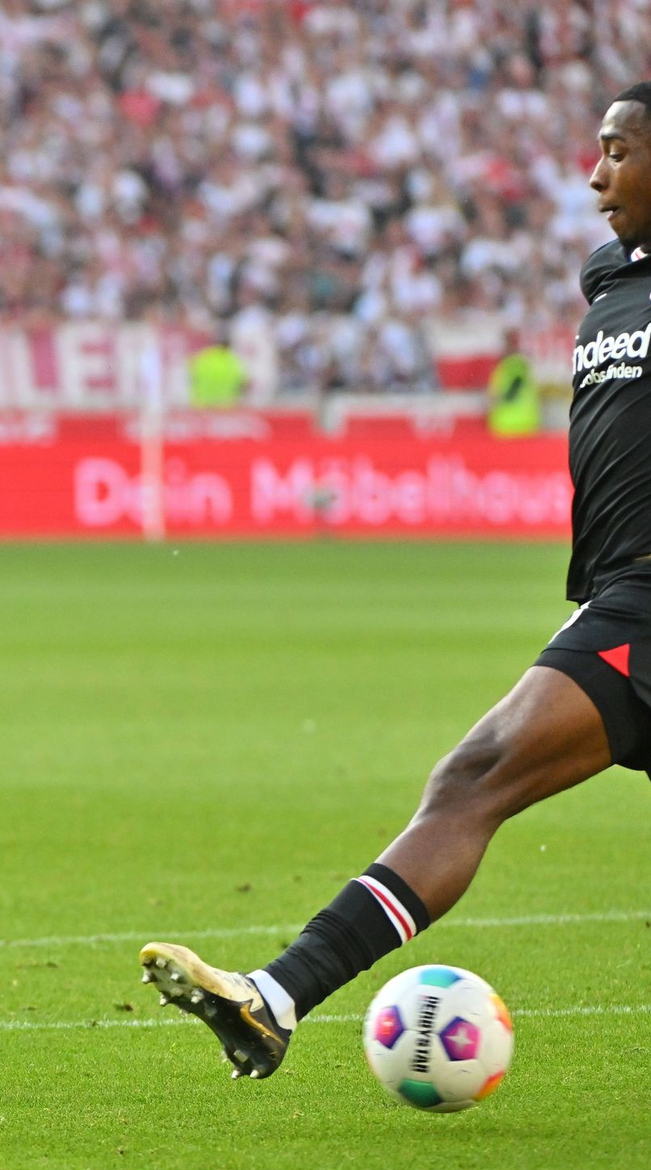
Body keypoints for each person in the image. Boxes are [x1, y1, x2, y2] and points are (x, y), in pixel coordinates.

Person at [139, 81, 651, 1080]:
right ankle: (272, 999)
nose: (595, 173)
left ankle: (275, 996)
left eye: (618, 150)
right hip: (616, 595)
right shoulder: (611, 278)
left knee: (473, 777)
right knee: (474, 781)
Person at [486, 327, 541, 438]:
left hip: (504, 426)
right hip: (528, 424)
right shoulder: (527, 366)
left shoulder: (502, 368)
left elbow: (493, 397)